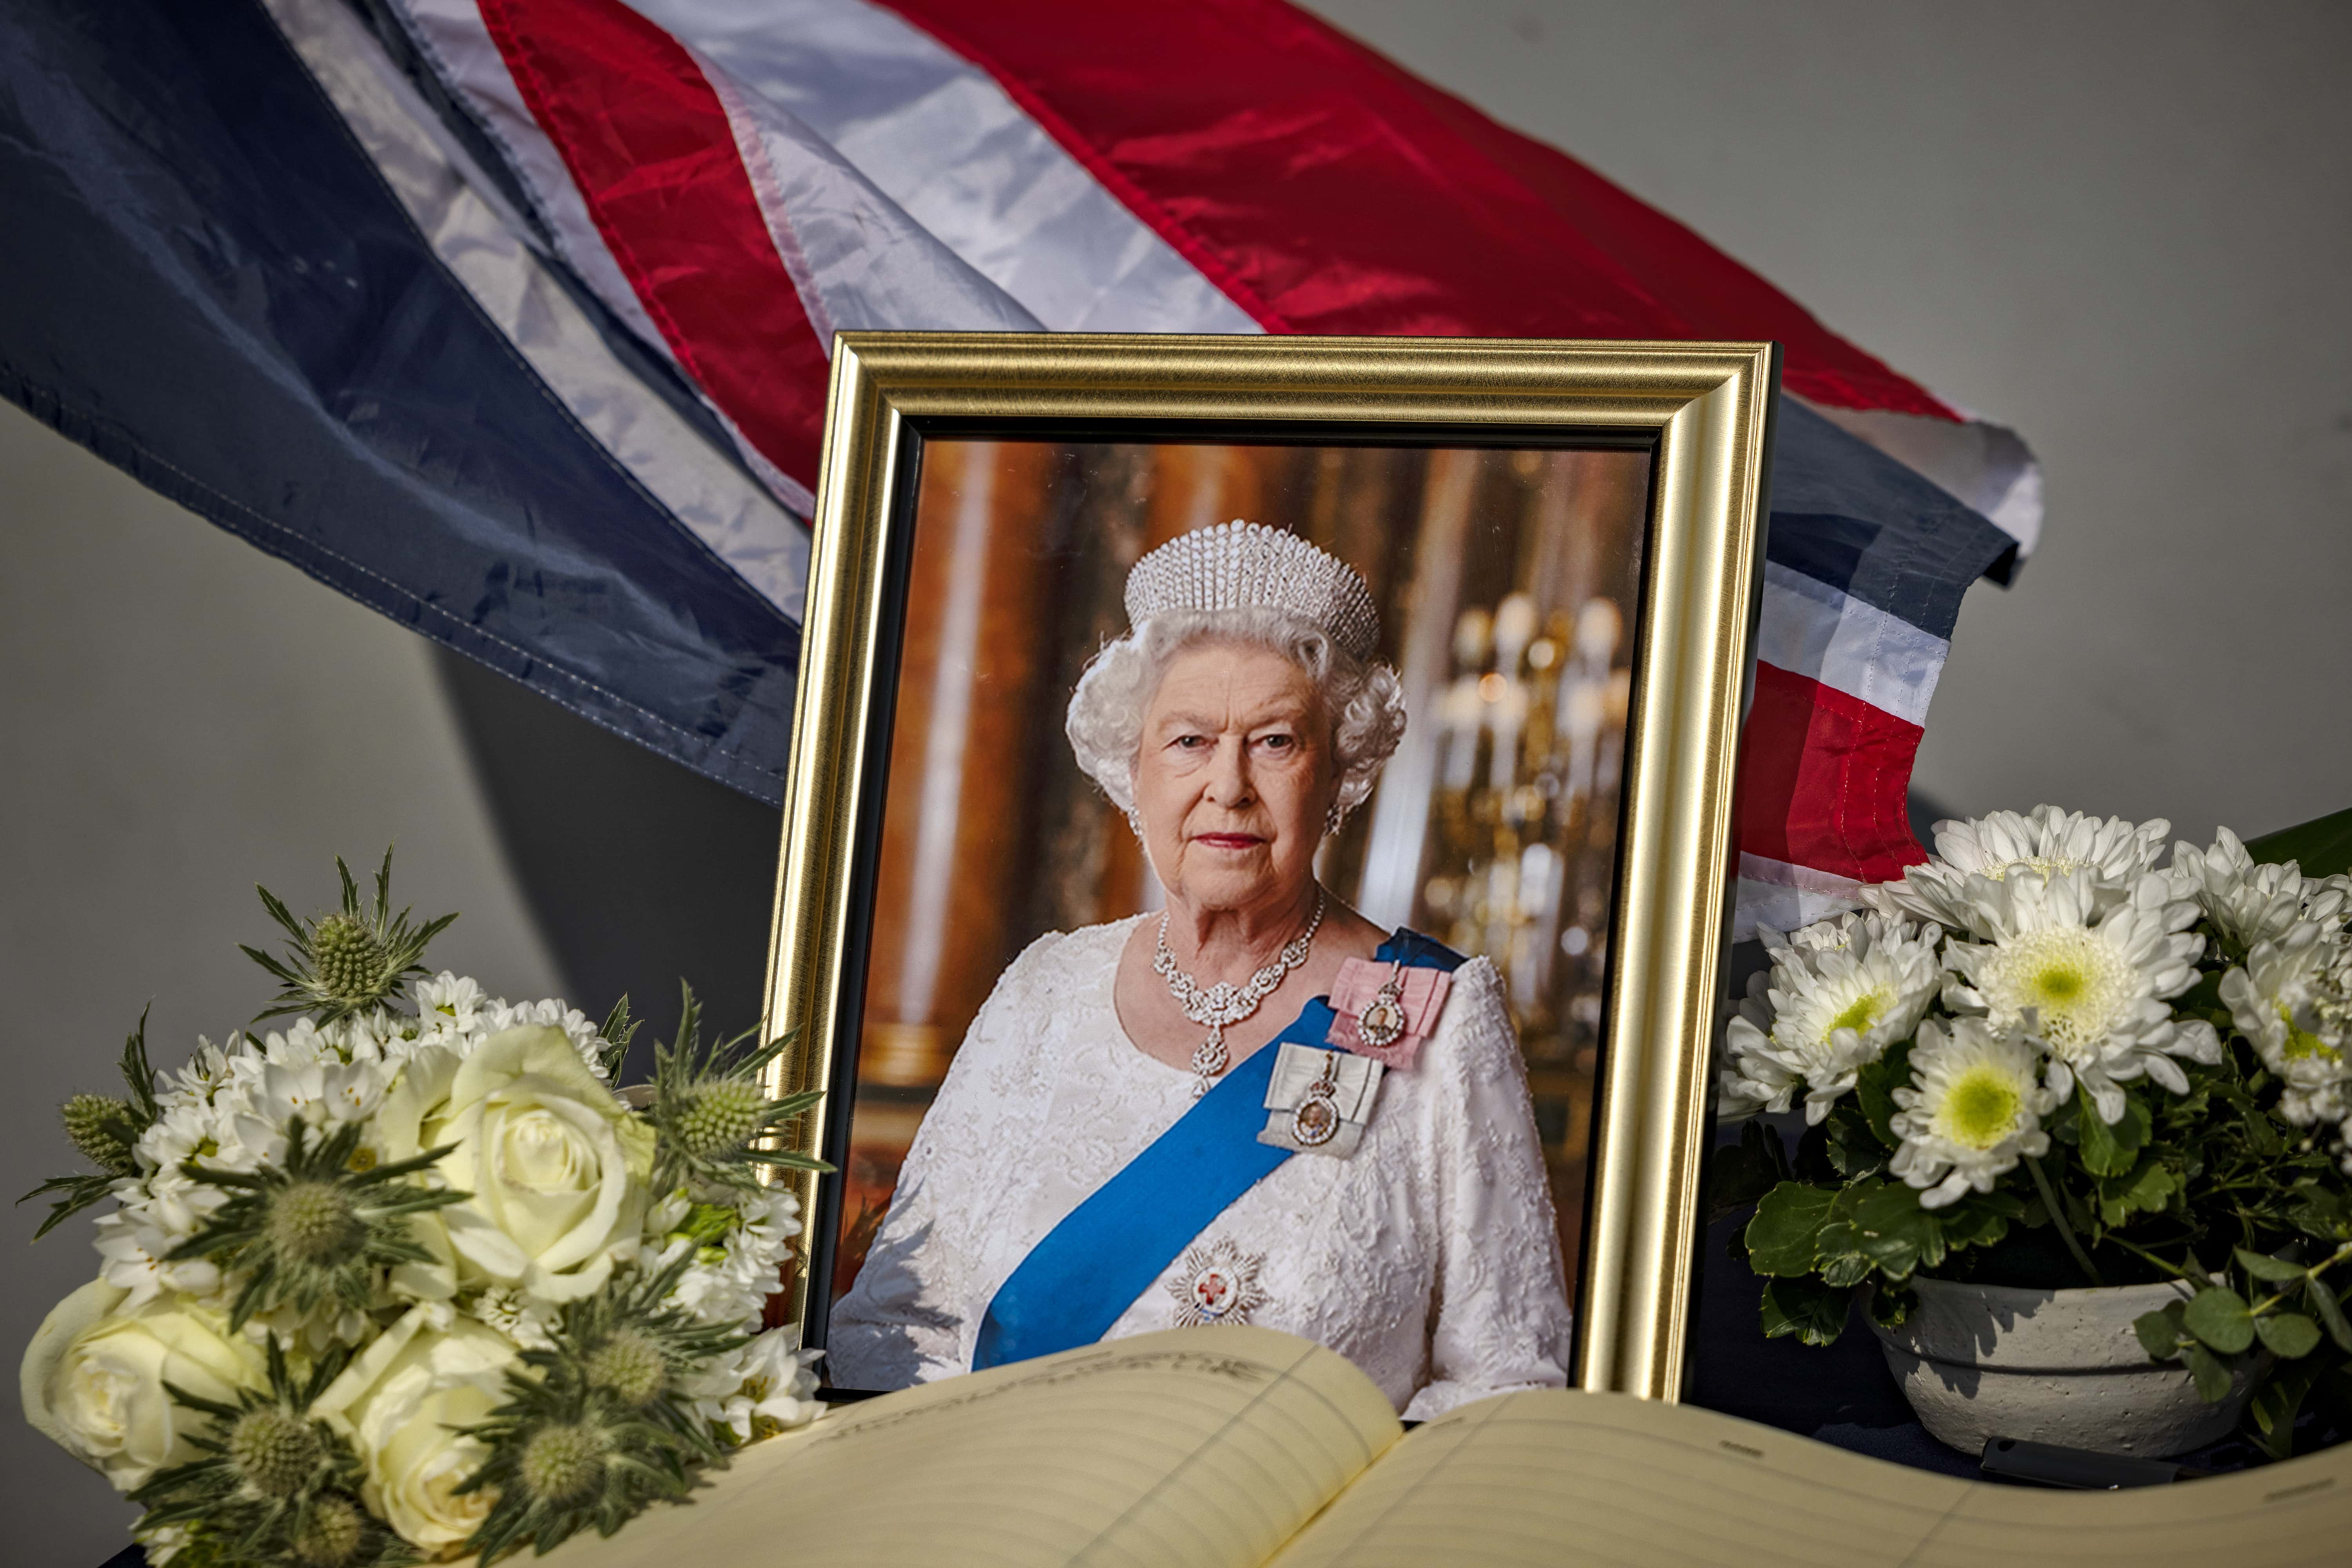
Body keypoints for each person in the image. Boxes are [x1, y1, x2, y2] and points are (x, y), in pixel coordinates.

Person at [826, 521, 1573, 1418]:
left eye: (1275, 741)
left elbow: (1504, 1384)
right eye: (1188, 740)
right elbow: (896, 1328)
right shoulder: (1044, 992)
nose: (1228, 784)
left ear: (1336, 774)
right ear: (1131, 771)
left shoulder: (1434, 1013)